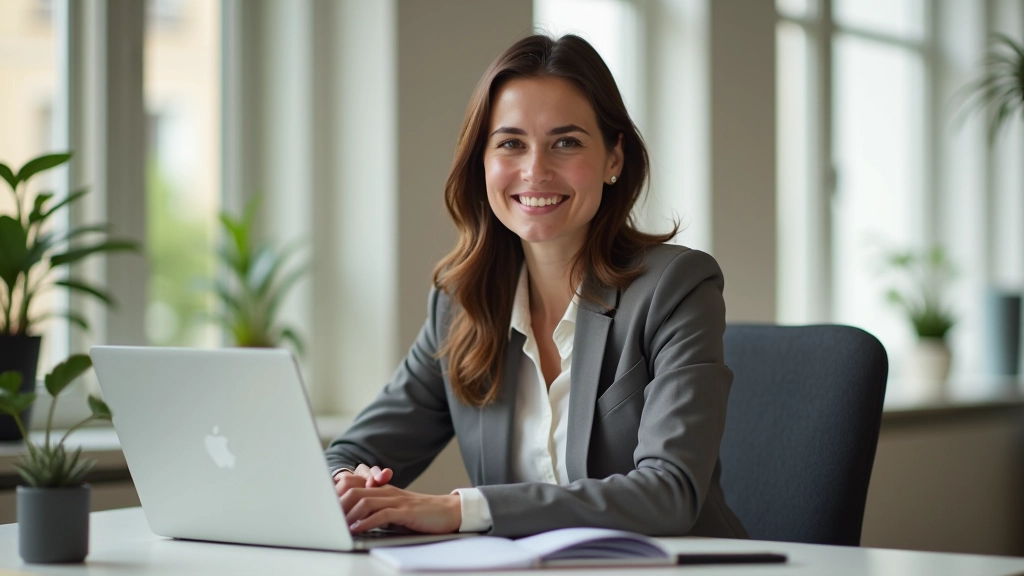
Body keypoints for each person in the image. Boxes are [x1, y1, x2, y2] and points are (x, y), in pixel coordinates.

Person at [325, 33, 748, 540]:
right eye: (511, 143)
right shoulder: (460, 306)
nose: (535, 171)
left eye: (566, 143)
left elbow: (668, 493)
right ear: (482, 162)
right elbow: (347, 453)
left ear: (614, 158)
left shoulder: (675, 288)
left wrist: (461, 509)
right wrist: (349, 485)